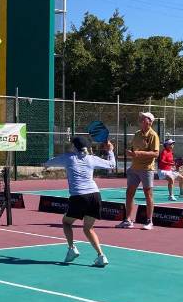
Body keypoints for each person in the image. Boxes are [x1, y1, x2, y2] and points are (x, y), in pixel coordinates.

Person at [59, 137, 116, 267]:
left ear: (74, 147)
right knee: (88, 228)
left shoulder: (68, 157)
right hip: (95, 196)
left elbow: (46, 163)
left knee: (66, 222)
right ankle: (101, 256)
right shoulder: (92, 158)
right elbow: (112, 165)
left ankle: (71, 248)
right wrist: (111, 151)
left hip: (79, 196)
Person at [116, 112, 160, 230]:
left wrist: (138, 153)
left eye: (144, 117)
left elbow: (156, 153)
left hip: (147, 169)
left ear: (150, 121)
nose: (141, 118)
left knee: (148, 194)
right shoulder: (136, 134)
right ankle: (128, 220)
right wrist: (130, 153)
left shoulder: (153, 135)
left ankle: (149, 221)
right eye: (141, 117)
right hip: (134, 168)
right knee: (129, 193)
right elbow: (133, 149)